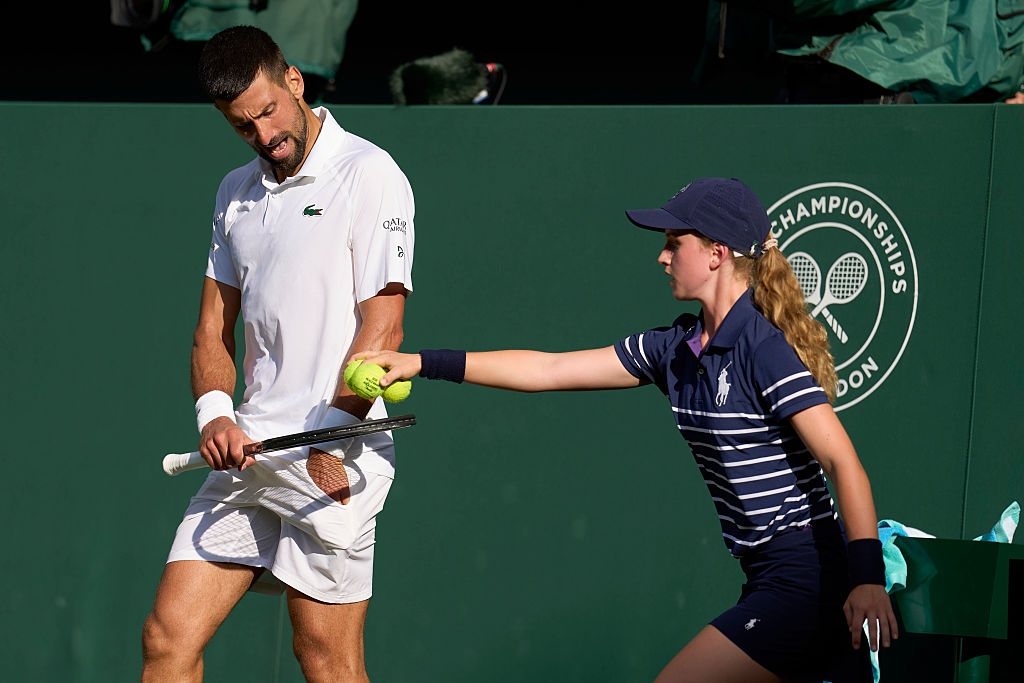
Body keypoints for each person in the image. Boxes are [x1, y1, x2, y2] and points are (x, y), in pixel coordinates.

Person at [354, 177, 896, 683]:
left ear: (716, 253)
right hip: (766, 574)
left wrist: (867, 578)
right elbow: (548, 371)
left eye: (673, 242)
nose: (662, 256)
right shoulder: (673, 350)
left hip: (806, 576)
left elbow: (843, 463)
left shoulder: (764, 349)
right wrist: (422, 362)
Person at [140, 25, 415, 683]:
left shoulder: (369, 173)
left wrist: (333, 439)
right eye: (243, 126)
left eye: (268, 113)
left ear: (294, 80)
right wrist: (214, 416)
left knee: (323, 656)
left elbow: (384, 328)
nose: (264, 136)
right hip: (251, 452)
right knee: (167, 639)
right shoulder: (234, 192)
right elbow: (213, 329)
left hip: (335, 455)